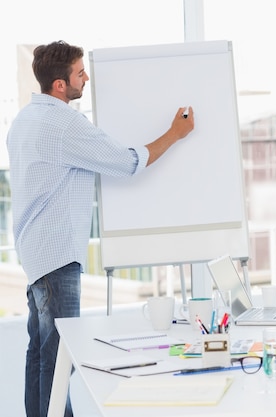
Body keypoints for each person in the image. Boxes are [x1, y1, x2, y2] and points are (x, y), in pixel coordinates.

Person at [6, 41, 195, 417]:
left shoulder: (23, 120)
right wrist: (174, 134)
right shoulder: (64, 124)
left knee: (40, 354)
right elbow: (125, 163)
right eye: (79, 73)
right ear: (60, 85)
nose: (86, 77)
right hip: (58, 257)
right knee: (59, 358)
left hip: (35, 253)